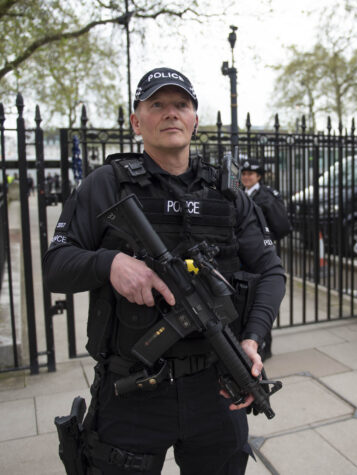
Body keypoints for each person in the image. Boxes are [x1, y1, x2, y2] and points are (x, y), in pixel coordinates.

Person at [43, 67, 286, 474]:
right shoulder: (104, 185)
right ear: (137, 121)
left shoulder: (227, 194)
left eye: (181, 105)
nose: (171, 113)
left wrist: (252, 339)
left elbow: (271, 271)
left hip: (217, 385)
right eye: (157, 104)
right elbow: (55, 266)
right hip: (131, 392)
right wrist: (110, 263)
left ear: (194, 119)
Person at [240, 158, 292, 361]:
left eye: (250, 174)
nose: (246, 177)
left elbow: (280, 226)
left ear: (259, 177)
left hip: (261, 255)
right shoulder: (241, 194)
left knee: (261, 297)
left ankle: (264, 345)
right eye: (244, 174)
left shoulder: (266, 197)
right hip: (244, 255)